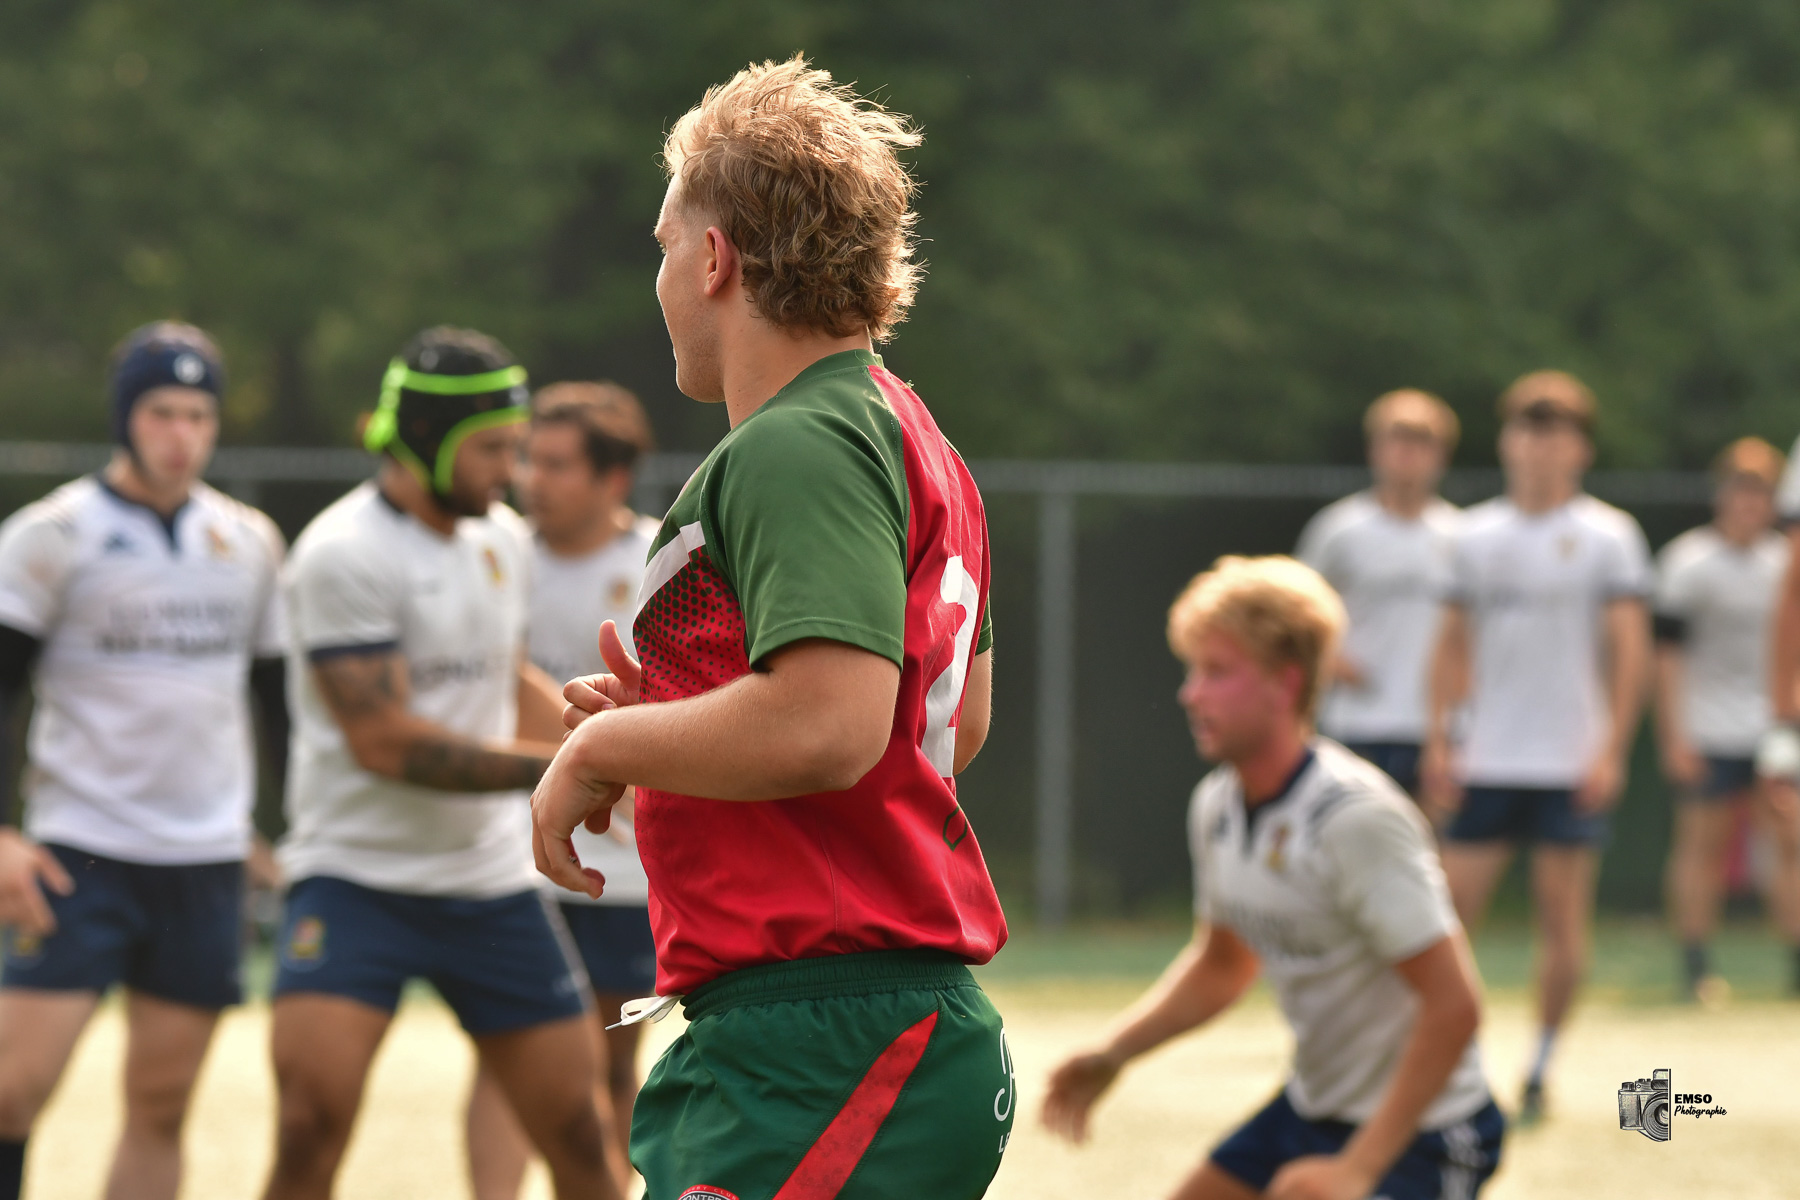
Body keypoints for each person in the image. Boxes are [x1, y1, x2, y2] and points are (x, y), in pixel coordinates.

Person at [529, 58, 1013, 1199]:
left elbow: (835, 725)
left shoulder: (795, 443)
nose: (659, 279)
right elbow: (949, 727)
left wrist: (600, 748)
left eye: (662, 244)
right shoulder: (910, 430)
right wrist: (678, 731)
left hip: (828, 1041)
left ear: (714, 257)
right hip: (828, 1033)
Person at [262, 328, 619, 1200]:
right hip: (353, 881)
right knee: (309, 1130)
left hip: (486, 887)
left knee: (581, 1133)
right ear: (429, 441)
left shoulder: (500, 538)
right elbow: (385, 741)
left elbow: (502, 673)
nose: (514, 471)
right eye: (494, 448)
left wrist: (605, 740)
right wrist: (569, 767)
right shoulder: (342, 553)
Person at [1043, 556, 1501, 1200]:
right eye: (1192, 671)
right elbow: (1223, 964)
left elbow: (1456, 1008)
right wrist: (1114, 1052)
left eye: (1216, 672)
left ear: (1285, 685)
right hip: (1312, 1110)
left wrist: (1358, 1171)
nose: (1190, 693)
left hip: (1427, 1133)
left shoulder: (1356, 819)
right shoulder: (1218, 805)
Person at [0, 322, 288, 1200]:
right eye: (162, 412)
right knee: (12, 1092)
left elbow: (276, 708)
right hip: (75, 852)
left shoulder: (249, 542)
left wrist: (277, 830)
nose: (182, 435)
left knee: (161, 1105)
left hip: (202, 863)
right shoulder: (52, 534)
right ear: (128, 418)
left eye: (199, 415)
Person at [1422, 370, 1651, 1124]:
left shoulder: (1608, 536)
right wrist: (1441, 739)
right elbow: (1451, 645)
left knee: (1562, 921)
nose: (1539, 443)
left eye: (1555, 429)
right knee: (1446, 918)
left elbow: (1629, 650)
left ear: (1580, 447)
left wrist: (1611, 748)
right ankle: (1457, 1062)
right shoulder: (1472, 535)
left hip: (1567, 764)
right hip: (1486, 758)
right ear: (1507, 440)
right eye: (1527, 426)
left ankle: (1541, 1066)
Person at [465, 382, 660, 1198]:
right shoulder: (494, 550)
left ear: (612, 480)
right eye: (523, 461)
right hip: (510, 860)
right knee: (508, 1058)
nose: (528, 479)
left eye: (553, 464)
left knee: (611, 1067)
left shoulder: (663, 561)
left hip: (620, 868)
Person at [1655, 437, 1800, 1002]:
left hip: (1773, 729)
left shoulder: (1785, 562)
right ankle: (1696, 969)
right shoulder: (1687, 562)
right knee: (1702, 847)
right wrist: (1674, 735)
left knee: (1788, 845)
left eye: (1759, 491)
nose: (1748, 503)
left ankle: (1794, 963)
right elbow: (1665, 660)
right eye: (1739, 489)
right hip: (1707, 727)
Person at [1297, 389, 1461, 798]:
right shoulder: (1339, 530)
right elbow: (1294, 613)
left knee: (1429, 852)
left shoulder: (1463, 535)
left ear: (1441, 455)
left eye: (1422, 442)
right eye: (1398, 440)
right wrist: (1332, 659)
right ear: (1375, 449)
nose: (1408, 454)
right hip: (1355, 723)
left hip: (1439, 730)